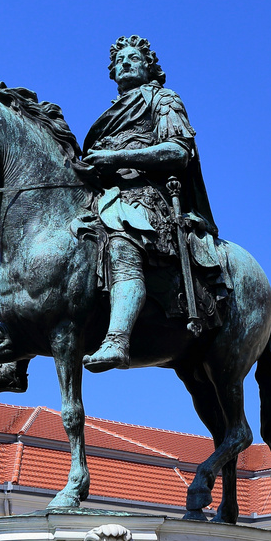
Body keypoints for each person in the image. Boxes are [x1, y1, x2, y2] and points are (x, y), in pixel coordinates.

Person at [73, 34, 220, 372]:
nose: (124, 63)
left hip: (145, 198)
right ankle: (19, 355)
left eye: (132, 58)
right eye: (119, 61)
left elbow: (178, 151)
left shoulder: (163, 100)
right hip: (102, 199)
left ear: (148, 66)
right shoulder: (108, 115)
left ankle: (117, 340)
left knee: (123, 242)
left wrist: (117, 156)